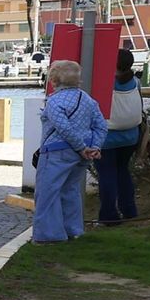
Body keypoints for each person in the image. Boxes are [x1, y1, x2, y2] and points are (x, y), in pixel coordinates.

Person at [33, 59, 105, 242]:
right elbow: (101, 126)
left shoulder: (54, 102)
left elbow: (63, 128)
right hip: (83, 153)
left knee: (47, 193)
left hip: (57, 152)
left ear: (54, 80)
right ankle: (73, 230)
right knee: (70, 191)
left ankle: (49, 235)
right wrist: (94, 147)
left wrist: (81, 148)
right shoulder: (88, 100)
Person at [99, 47, 149, 226]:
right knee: (123, 172)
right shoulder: (136, 81)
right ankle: (130, 210)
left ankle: (108, 216)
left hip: (107, 137)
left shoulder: (105, 82)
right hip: (130, 137)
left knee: (107, 175)